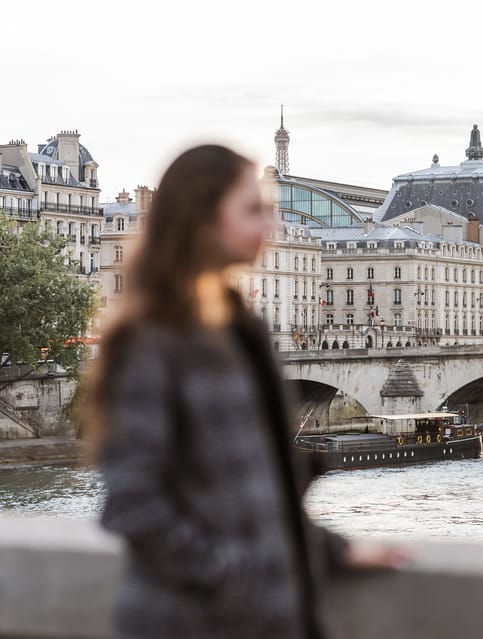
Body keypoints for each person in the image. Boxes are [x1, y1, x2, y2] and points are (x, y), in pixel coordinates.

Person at [83, 145, 403, 639]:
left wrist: (331, 552)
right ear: (203, 218)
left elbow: (260, 491)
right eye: (253, 211)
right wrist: (236, 578)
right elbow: (134, 502)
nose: (269, 228)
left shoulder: (241, 331)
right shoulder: (150, 343)